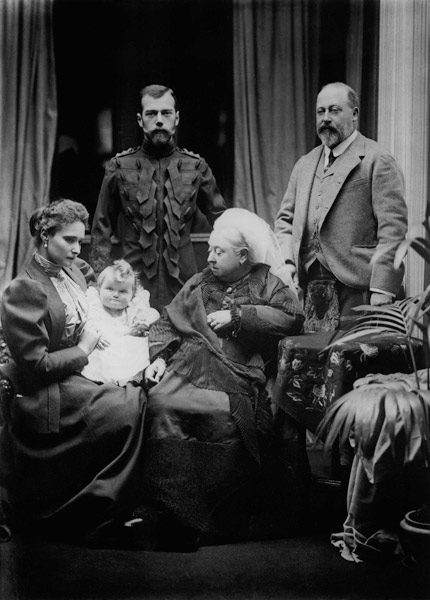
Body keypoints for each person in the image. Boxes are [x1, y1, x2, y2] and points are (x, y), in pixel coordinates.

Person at [130, 208, 305, 549]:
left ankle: (215, 514)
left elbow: (292, 318)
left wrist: (241, 315)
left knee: (222, 415)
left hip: (238, 370)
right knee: (161, 403)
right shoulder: (199, 282)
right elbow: (168, 321)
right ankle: (167, 507)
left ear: (243, 256)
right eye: (208, 249)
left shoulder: (267, 281)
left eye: (218, 251)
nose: (208, 257)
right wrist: (159, 359)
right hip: (188, 364)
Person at [0, 200, 147, 546]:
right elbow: (36, 367)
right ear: (44, 235)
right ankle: (97, 512)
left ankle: (124, 505)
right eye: (69, 240)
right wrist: (83, 349)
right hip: (46, 390)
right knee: (126, 408)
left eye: (80, 241)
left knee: (141, 391)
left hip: (80, 370)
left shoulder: (74, 269)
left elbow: (96, 291)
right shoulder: (23, 289)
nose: (77, 249)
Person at [275, 82, 408, 332]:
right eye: (320, 112)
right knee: (311, 366)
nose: (325, 119)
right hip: (310, 293)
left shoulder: (377, 160)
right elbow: (284, 220)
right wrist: (288, 262)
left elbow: (394, 230)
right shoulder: (304, 165)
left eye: (334, 111)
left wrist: (383, 288)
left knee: (353, 366)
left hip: (359, 291)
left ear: (355, 114)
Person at [90, 84, 227, 312]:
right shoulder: (119, 167)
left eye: (166, 113)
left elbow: (223, 223)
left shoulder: (196, 167)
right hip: (131, 283)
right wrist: (100, 282)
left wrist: (226, 273)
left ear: (177, 118)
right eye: (151, 114)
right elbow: (101, 229)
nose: (159, 120)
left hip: (185, 283)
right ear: (140, 120)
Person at [81, 259, 160, 386]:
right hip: (104, 346)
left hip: (127, 348)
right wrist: (95, 336)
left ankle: (130, 378)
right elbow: (87, 324)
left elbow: (154, 314)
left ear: (132, 295)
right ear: (99, 288)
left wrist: (145, 323)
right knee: (101, 356)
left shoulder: (132, 308)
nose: (116, 295)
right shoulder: (95, 306)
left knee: (140, 348)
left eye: (123, 291)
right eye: (110, 289)